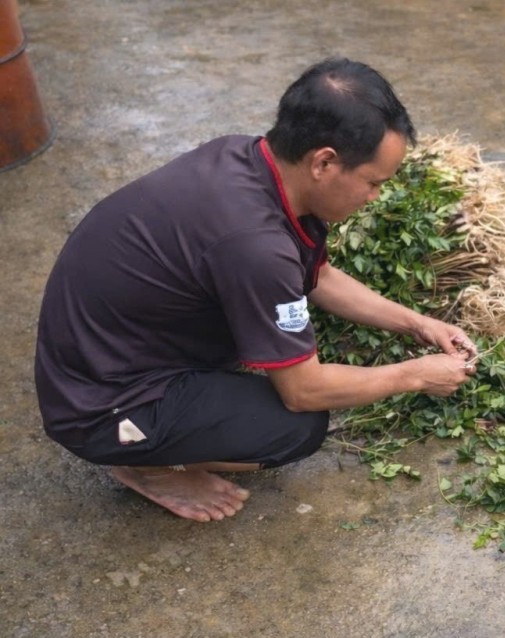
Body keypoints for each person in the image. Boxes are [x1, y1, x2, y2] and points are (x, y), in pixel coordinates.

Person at [35, 58, 477, 523]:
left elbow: (318, 277)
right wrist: (414, 376)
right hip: (101, 404)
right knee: (295, 427)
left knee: (275, 347)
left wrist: (418, 324)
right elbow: (304, 392)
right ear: (324, 162)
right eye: (372, 183)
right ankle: (142, 463)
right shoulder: (254, 246)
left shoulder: (247, 159)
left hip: (99, 352)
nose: (375, 197)